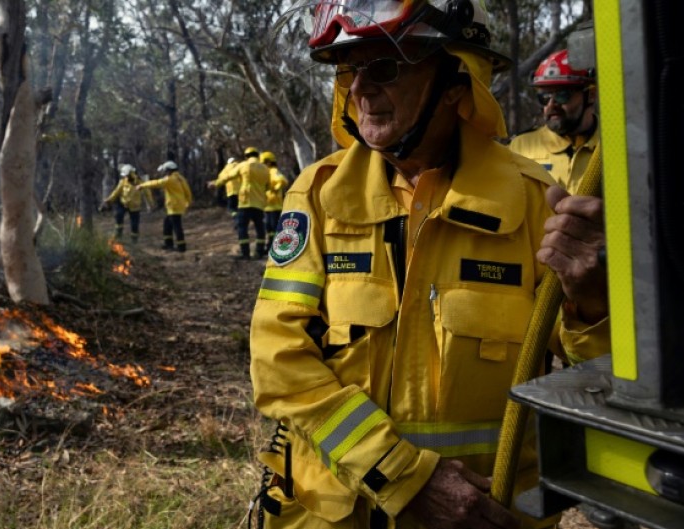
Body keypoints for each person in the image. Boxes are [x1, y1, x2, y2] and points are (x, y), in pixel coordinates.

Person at [249, 2, 609, 529]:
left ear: (457, 79)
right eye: (351, 69)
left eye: (386, 67)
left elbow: (598, 377)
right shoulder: (319, 195)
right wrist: (400, 475)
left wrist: (594, 301)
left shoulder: (534, 202)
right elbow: (277, 359)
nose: (360, 90)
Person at [508, 49, 599, 195]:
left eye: (562, 95)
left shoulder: (614, 147)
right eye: (544, 97)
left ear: (591, 95)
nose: (551, 105)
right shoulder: (520, 147)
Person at [208, 146, 270, 259]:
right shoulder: (265, 169)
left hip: (245, 201)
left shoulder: (243, 165)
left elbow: (228, 176)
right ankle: (259, 252)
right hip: (259, 203)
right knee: (259, 228)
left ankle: (245, 253)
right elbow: (268, 186)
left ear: (246, 156)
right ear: (257, 155)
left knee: (242, 227)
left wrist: (215, 183)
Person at [139, 160, 193, 252]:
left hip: (173, 206)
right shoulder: (181, 178)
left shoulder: (170, 179)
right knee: (167, 224)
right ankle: (169, 244)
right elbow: (188, 191)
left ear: (169, 170)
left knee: (176, 226)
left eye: (166, 171)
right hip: (178, 206)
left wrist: (142, 185)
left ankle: (181, 247)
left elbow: (156, 183)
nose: (165, 173)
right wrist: (188, 202)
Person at [100, 164, 153, 243]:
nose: (126, 177)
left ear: (131, 174)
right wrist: (109, 200)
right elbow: (116, 192)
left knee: (134, 224)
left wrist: (151, 204)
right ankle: (118, 234)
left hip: (135, 206)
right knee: (119, 215)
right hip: (123, 203)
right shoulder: (123, 182)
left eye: (127, 175)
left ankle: (134, 240)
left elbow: (147, 193)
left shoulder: (140, 183)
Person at [261, 150, 290, 247]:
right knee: (269, 228)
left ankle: (277, 246)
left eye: (263, 163)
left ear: (268, 162)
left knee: (274, 227)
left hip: (274, 205)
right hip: (268, 205)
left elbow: (283, 180)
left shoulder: (273, 171)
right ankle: (270, 245)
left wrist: (274, 189)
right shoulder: (267, 172)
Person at [217, 157, 241, 225]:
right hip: (241, 191)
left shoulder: (225, 169)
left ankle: (236, 219)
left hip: (231, 192)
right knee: (240, 207)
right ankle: (241, 220)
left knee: (232, 208)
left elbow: (220, 178)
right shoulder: (240, 166)